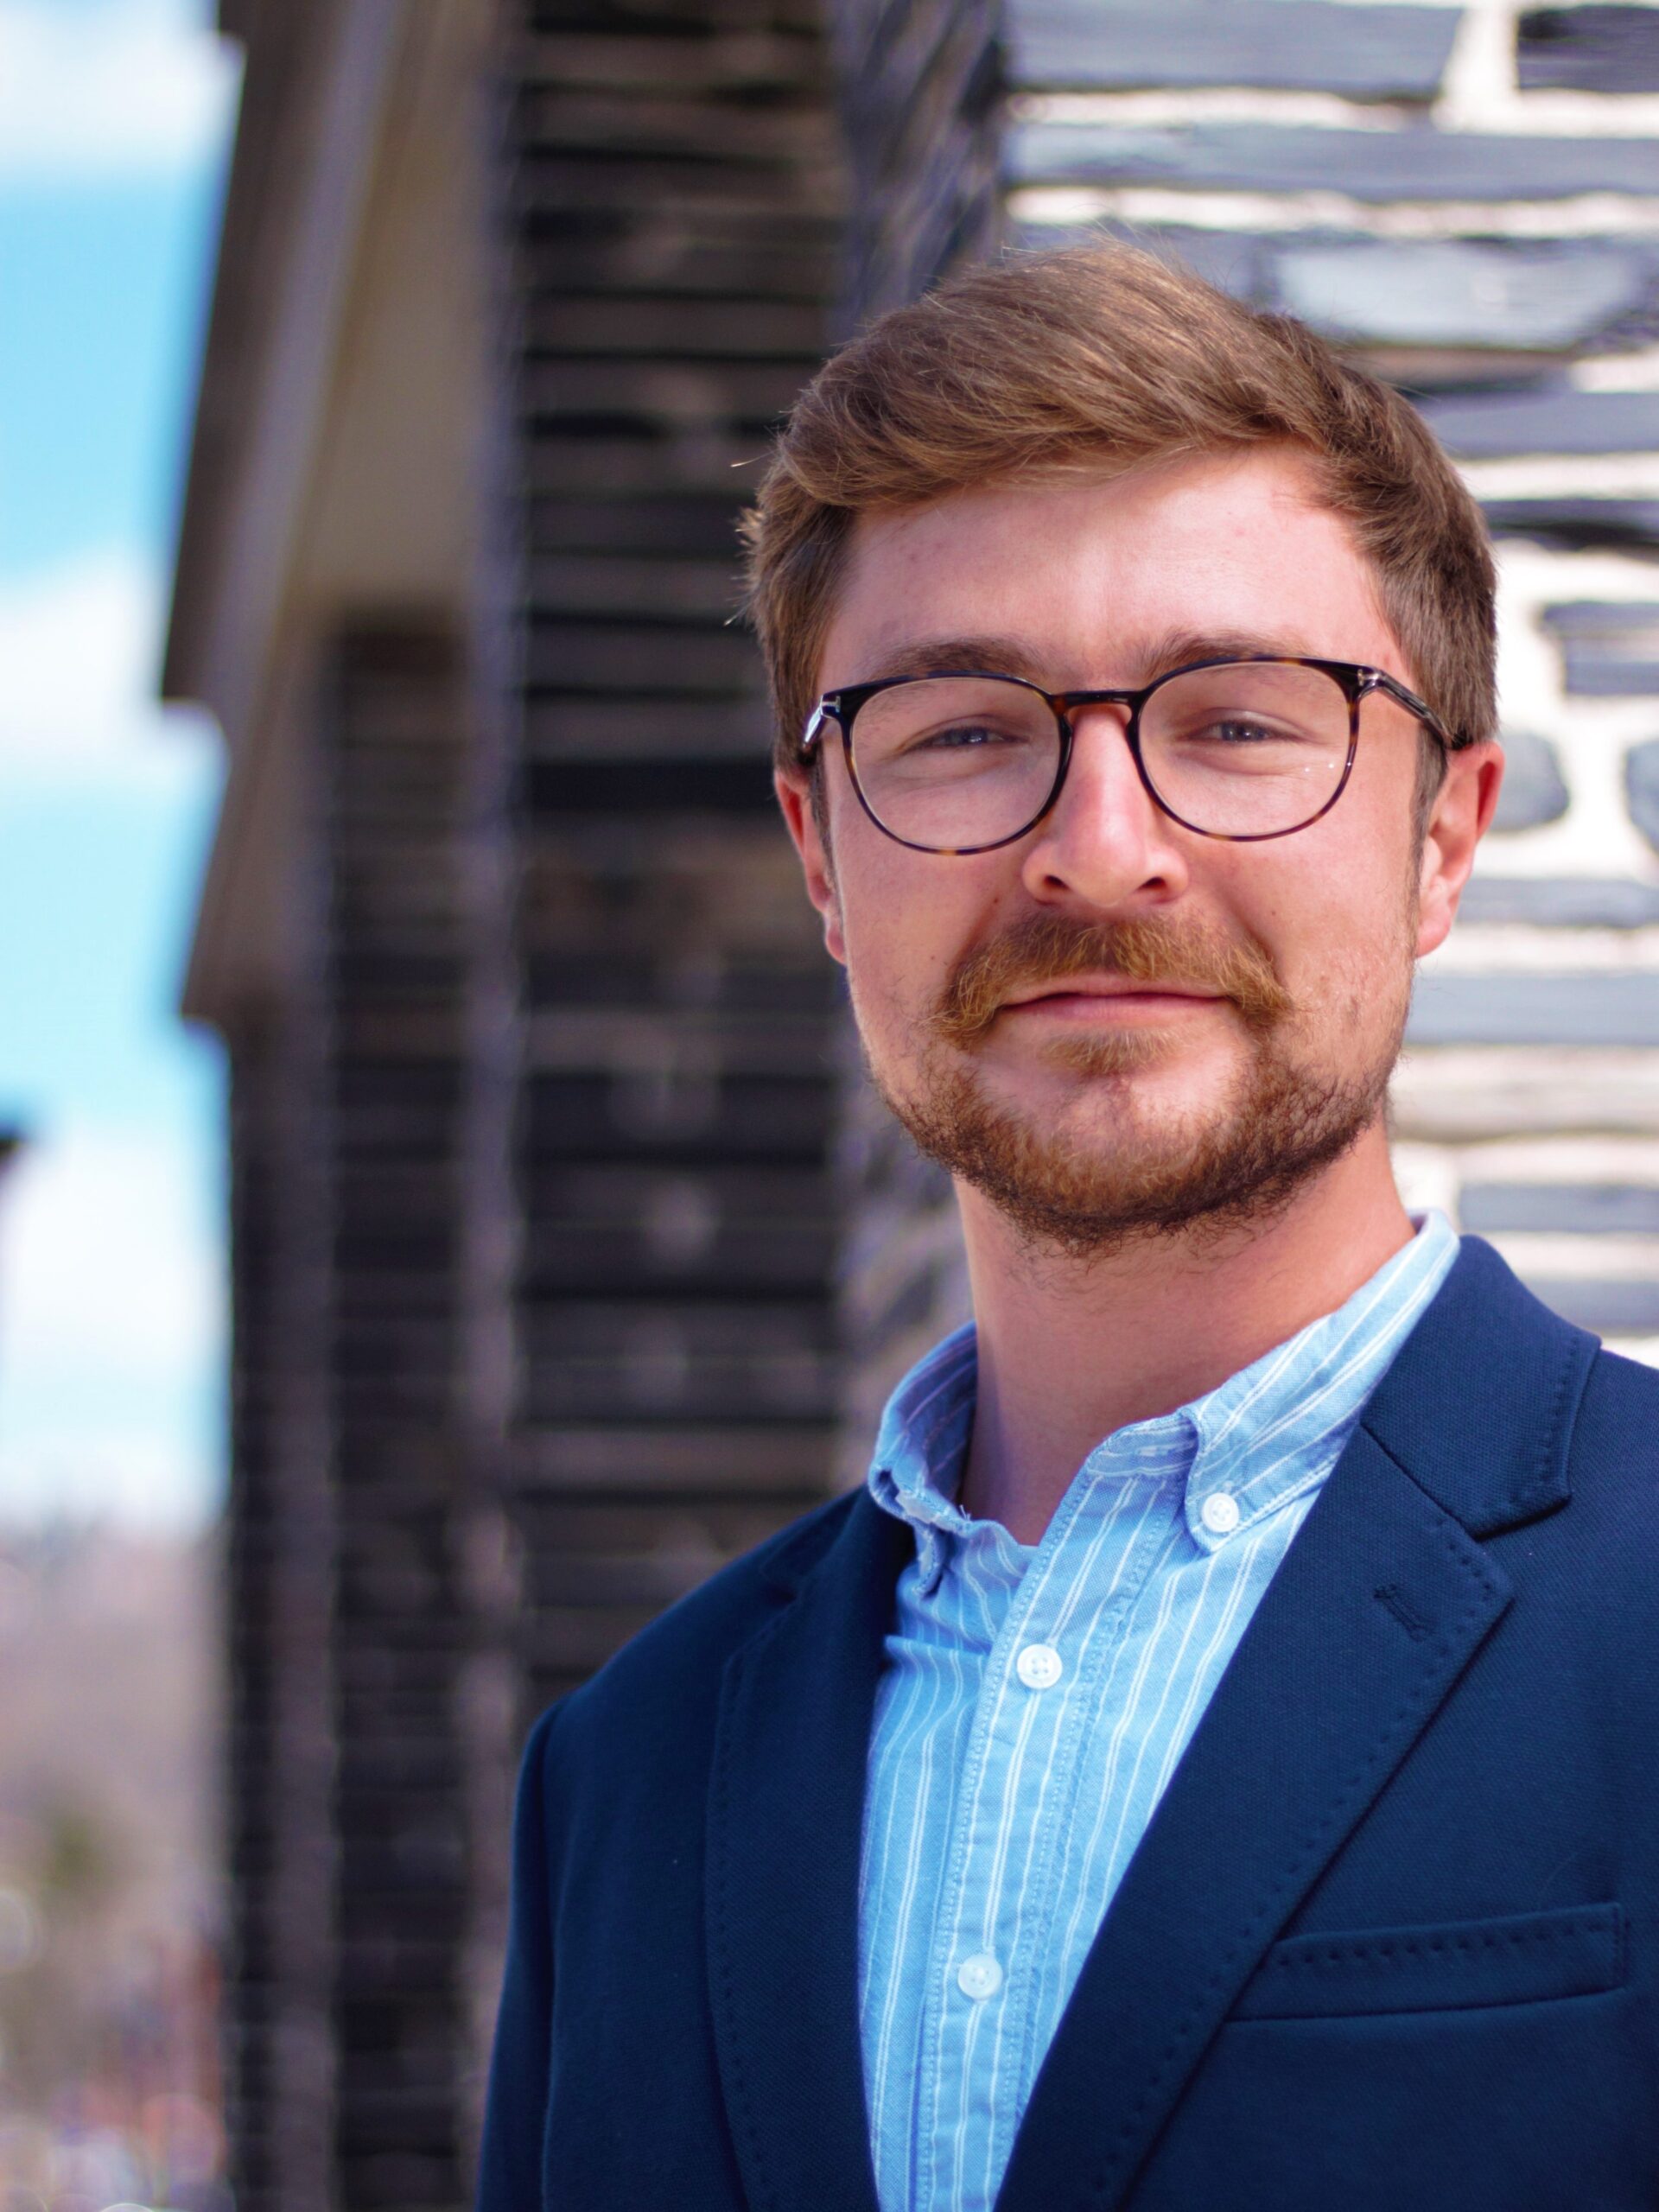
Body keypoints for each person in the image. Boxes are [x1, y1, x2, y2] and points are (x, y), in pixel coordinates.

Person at [477, 246, 1659, 2212]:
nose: (1099, 844)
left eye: (1243, 721)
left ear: (1445, 835)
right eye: (957, 729)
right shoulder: (625, 1773)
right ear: (822, 859)